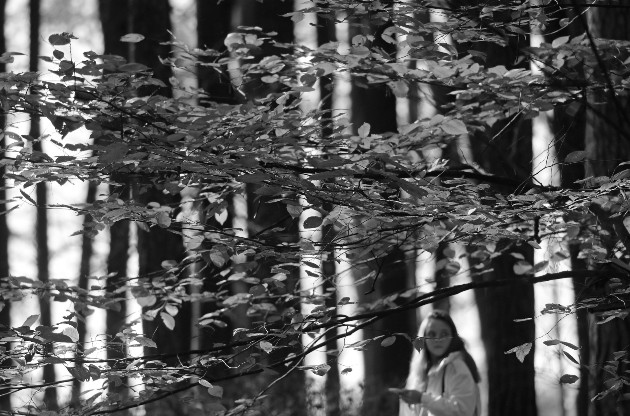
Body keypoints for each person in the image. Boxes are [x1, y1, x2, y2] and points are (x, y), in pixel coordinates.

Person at [398, 309, 481, 416]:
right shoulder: (419, 374)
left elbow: (462, 410)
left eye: (444, 333)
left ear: (453, 337)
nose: (438, 339)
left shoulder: (456, 367)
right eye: (432, 334)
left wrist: (422, 398)